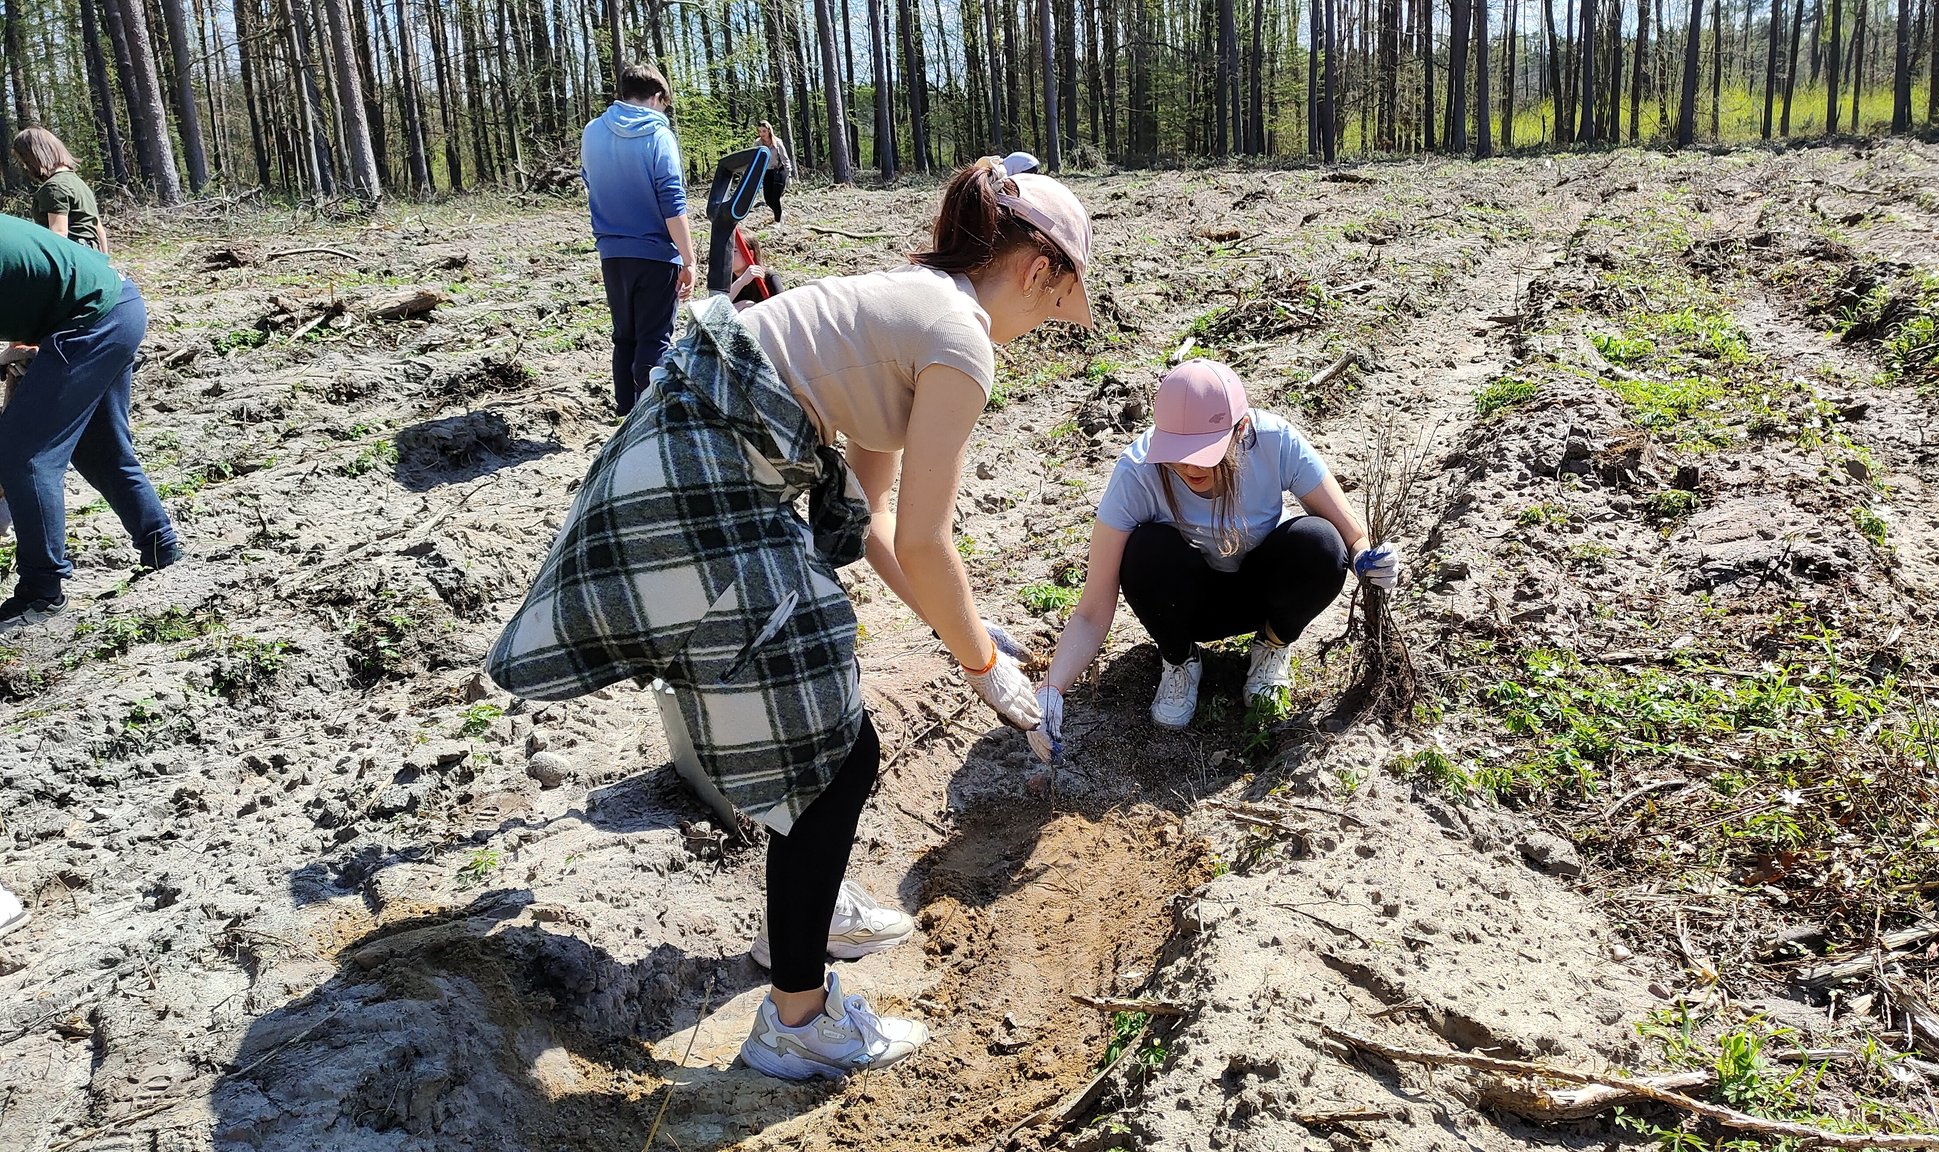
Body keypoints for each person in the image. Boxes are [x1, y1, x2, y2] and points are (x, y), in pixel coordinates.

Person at [488, 155, 1092, 1080]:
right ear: (1036, 269)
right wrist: (985, 671)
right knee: (836, 752)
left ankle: (804, 917)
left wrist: (964, 628)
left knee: (814, 734)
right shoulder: (962, 340)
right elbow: (930, 544)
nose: (1038, 330)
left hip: (692, 460)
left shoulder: (914, 302)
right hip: (701, 485)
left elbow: (882, 524)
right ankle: (798, 1022)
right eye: (1050, 310)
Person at [1025, 359, 1398, 759]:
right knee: (1144, 551)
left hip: (1261, 592)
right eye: (1178, 451)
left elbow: (1351, 533)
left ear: (1241, 430)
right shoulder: (1137, 472)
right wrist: (1051, 689)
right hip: (1188, 604)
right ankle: (1181, 660)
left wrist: (1367, 559)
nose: (1188, 465)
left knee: (1321, 543)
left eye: (1205, 452)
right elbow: (1092, 608)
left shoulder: (1274, 441)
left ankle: (1272, 645)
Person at [0, 214, 181, 631]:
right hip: (117, 304)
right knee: (100, 449)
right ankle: (161, 546)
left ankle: (42, 591)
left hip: (92, 317)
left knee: (24, 455)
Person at [581, 63, 698, 417]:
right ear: (658, 97)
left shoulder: (592, 131)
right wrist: (689, 258)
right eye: (665, 104)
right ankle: (649, 418)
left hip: (612, 253)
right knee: (654, 338)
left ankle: (625, 414)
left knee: (624, 337)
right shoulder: (659, 136)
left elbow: (589, 182)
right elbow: (672, 199)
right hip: (656, 253)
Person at [12, 128, 109, 253]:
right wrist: (103, 263)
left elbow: (58, 234)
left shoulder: (54, 187)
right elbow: (99, 231)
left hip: (73, 254)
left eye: (25, 161)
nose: (25, 167)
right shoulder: (77, 183)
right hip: (90, 253)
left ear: (33, 157)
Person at [755, 121, 796, 224]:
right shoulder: (757, 143)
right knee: (768, 199)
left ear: (769, 130)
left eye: (764, 131)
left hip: (779, 171)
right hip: (767, 172)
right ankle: (781, 213)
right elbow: (755, 158)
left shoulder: (777, 142)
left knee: (775, 197)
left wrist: (789, 175)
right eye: (760, 131)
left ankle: (778, 220)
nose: (762, 134)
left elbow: (785, 158)